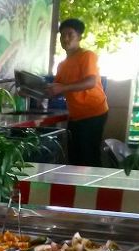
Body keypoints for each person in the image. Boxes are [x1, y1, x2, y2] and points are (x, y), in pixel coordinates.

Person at [48, 18, 108, 167]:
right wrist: (30, 91)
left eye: (70, 34)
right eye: (62, 35)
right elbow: (56, 89)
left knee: (89, 157)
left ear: (79, 37)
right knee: (74, 157)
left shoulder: (87, 55)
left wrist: (62, 88)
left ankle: (95, 183)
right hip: (76, 115)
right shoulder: (62, 65)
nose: (66, 39)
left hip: (94, 112)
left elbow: (90, 82)